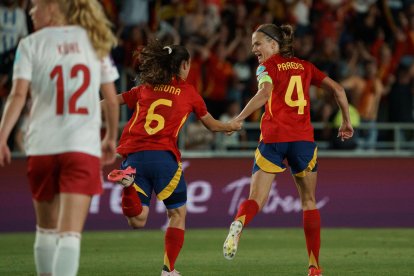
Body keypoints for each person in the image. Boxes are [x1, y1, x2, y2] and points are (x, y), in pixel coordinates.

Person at [222, 24, 354, 276]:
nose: (253, 48)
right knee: (309, 202)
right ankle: (314, 267)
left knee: (255, 200)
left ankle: (239, 222)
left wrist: (238, 119)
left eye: (257, 43)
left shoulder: (266, 68)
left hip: (273, 139)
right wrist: (346, 121)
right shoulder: (305, 67)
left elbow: (265, 92)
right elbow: (338, 89)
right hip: (302, 141)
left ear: (274, 44)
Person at [102, 39, 242, 276]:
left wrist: (87, 110)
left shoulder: (144, 88)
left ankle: (128, 186)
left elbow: (110, 102)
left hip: (134, 158)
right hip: (164, 158)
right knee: (177, 214)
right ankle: (168, 270)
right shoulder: (189, 92)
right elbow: (211, 125)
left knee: (138, 220)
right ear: (185, 65)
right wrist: (230, 125)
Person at [0, 0, 119, 275]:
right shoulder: (94, 40)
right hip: (81, 148)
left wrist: (3, 135)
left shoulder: (29, 44)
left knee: (45, 230)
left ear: (53, 7)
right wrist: (110, 137)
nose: (30, 12)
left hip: (42, 147)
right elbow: (112, 101)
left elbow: (18, 96)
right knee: (69, 236)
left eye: (35, 6)